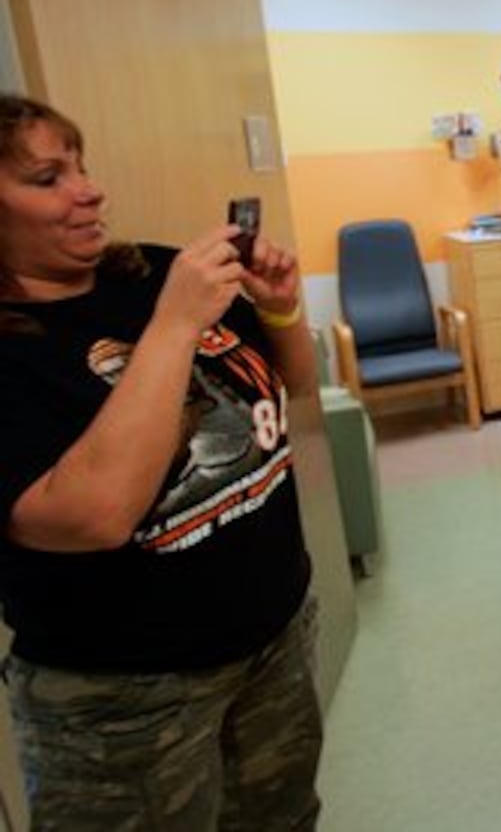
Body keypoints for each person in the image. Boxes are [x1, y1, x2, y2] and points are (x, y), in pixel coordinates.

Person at [0, 95, 323, 829]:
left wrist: (278, 307)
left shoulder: (156, 271)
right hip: (127, 696)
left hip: (273, 639)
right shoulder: (37, 345)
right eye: (48, 179)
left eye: (81, 167)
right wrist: (175, 325)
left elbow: (294, 384)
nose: (89, 190)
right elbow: (93, 518)